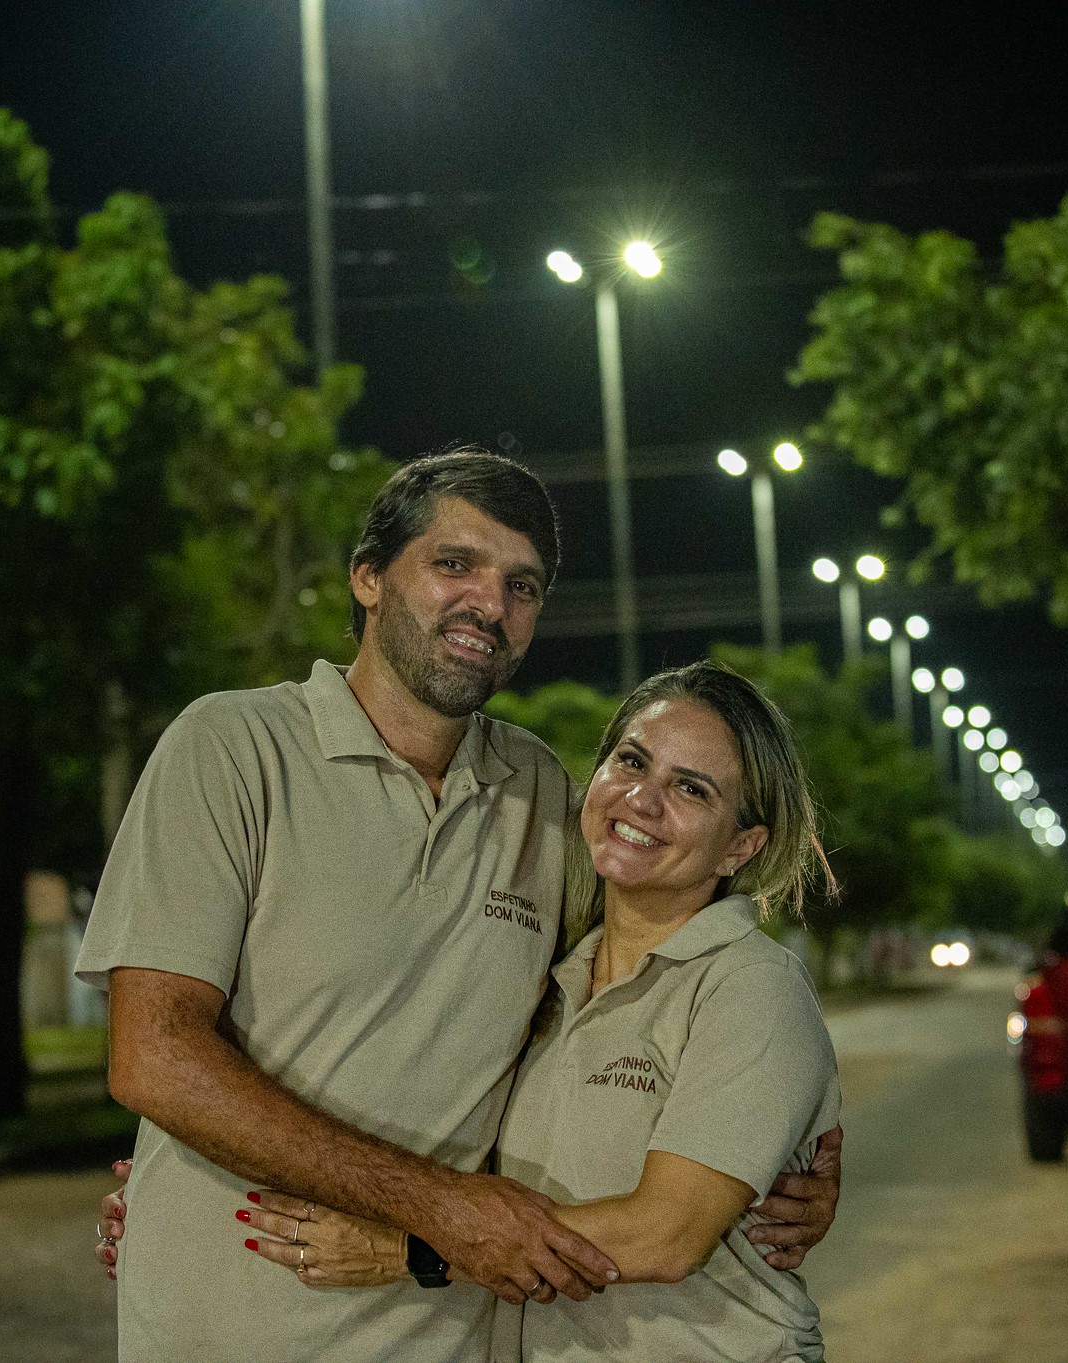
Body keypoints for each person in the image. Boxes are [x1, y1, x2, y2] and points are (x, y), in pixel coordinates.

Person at [76, 450, 839, 1363]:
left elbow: (694, 991)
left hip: (448, 1332)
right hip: (232, 1321)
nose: (489, 603)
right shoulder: (232, 749)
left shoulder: (542, 797)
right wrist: (438, 1208)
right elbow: (155, 1057)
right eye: (455, 565)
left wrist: (792, 1168)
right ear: (368, 576)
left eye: (522, 585)